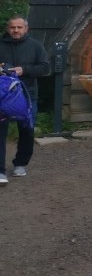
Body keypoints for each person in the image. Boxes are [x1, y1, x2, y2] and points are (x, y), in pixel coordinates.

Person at [0, 15, 49, 183]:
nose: (16, 30)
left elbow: (45, 68)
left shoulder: (35, 46)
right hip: (2, 97)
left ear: (26, 29)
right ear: (8, 29)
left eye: (19, 27)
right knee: (0, 132)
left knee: (27, 130)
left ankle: (20, 164)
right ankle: (0, 170)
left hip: (27, 95)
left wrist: (24, 70)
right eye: (12, 27)